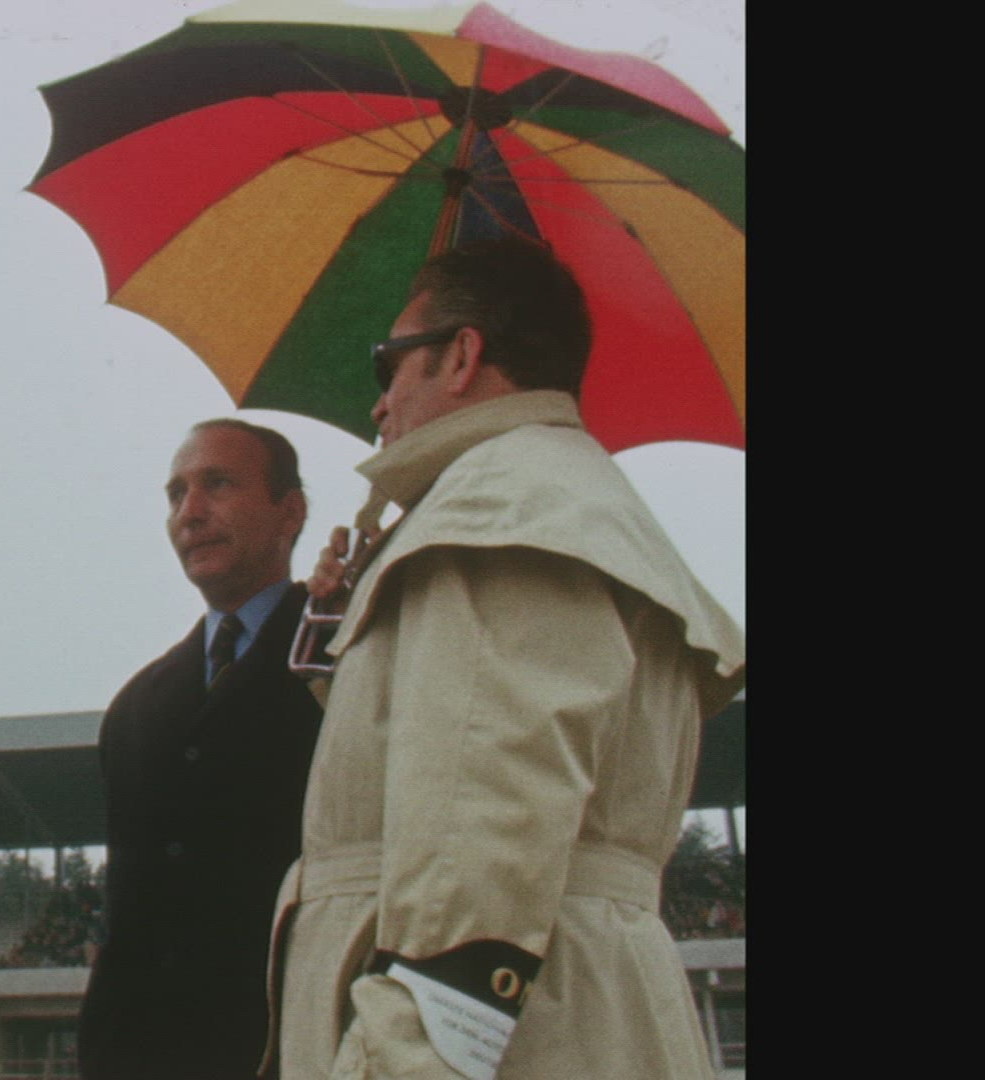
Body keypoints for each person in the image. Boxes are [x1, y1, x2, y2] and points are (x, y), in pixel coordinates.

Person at [268, 240, 746, 1079]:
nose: (379, 402)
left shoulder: (499, 514)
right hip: (569, 1007)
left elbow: (477, 842)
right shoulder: (536, 503)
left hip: (517, 1037)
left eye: (389, 363)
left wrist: (397, 1063)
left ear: (461, 355)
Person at [78, 420, 323, 1080]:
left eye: (218, 484)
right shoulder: (135, 708)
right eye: (175, 494)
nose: (190, 513)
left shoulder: (349, 663)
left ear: (291, 512)